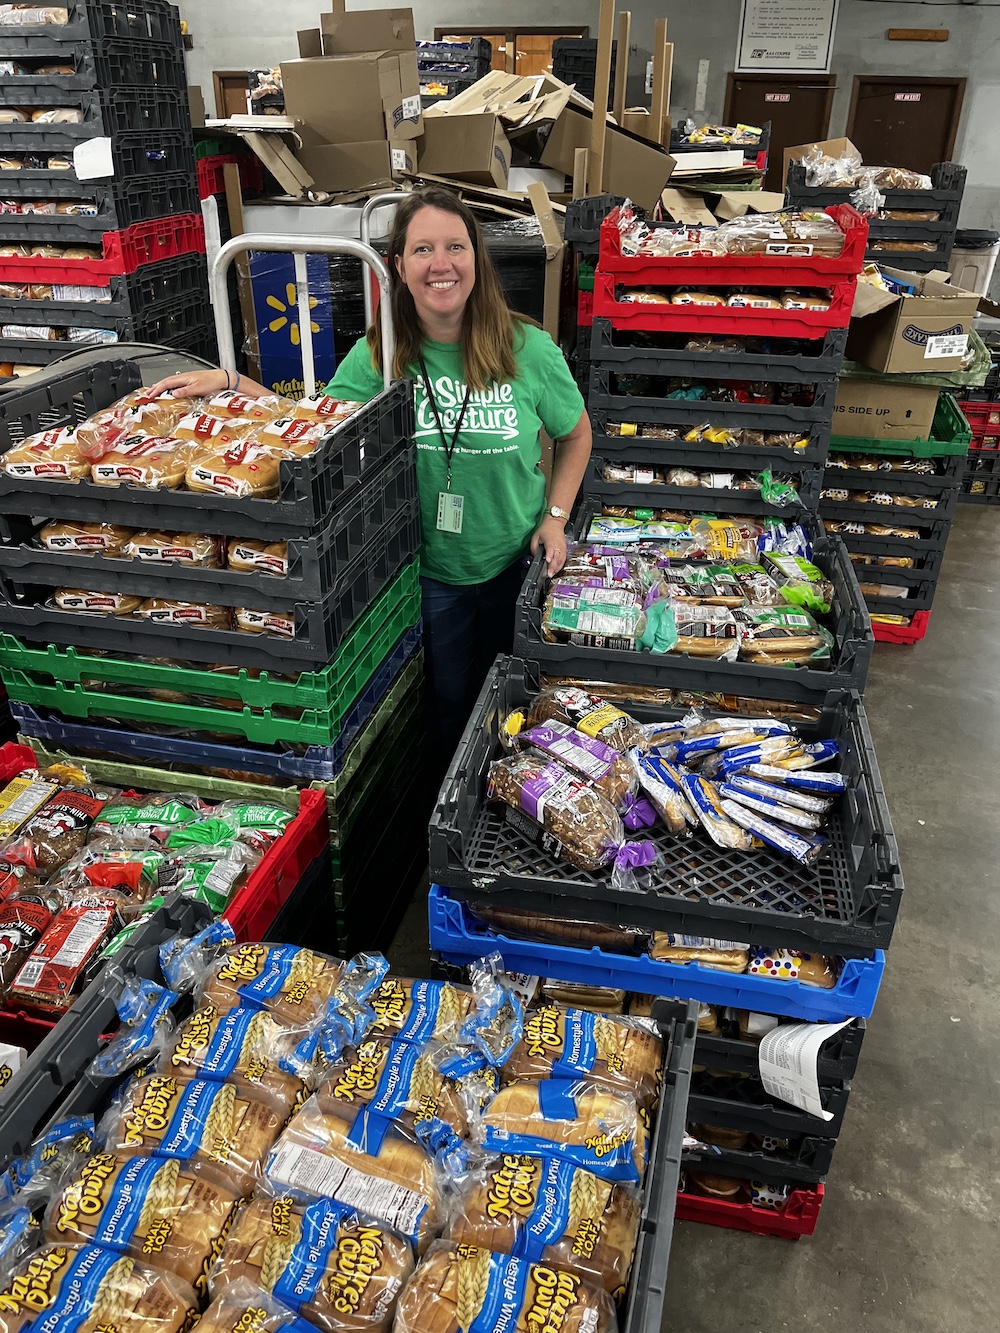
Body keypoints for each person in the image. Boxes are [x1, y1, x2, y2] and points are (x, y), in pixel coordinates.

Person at [149, 185, 592, 767]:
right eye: (423, 249)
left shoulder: (527, 347)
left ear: (476, 259)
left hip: (516, 564)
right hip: (428, 574)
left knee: (516, 703)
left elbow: (576, 434)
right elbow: (312, 425)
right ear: (399, 267)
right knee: (450, 705)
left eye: (455, 247)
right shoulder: (381, 355)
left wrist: (555, 519)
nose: (441, 264)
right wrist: (233, 384)